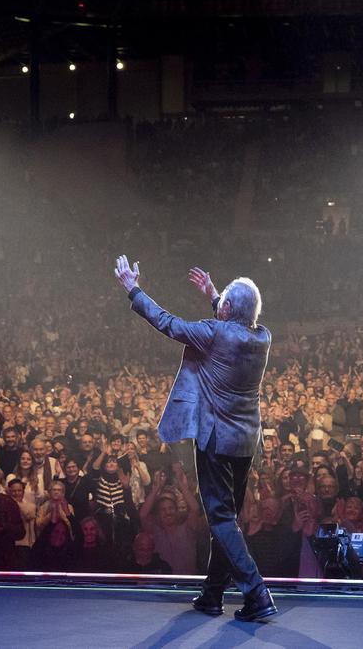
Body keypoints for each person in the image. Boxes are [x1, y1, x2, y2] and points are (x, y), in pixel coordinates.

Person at [116, 257, 276, 621]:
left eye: (222, 304)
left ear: (229, 309)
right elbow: (236, 317)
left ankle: (256, 591)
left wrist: (133, 289)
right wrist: (215, 294)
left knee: (220, 519)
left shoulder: (215, 333)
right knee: (228, 519)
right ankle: (212, 594)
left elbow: (167, 323)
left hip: (217, 440)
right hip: (246, 442)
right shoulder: (262, 337)